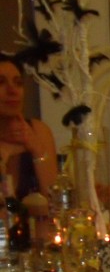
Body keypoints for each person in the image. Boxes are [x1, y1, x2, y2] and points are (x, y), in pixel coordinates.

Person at [0, 53, 58, 198]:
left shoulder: (38, 131)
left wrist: (37, 148)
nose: (12, 91)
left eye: (18, 83)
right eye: (1, 83)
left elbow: (54, 199)